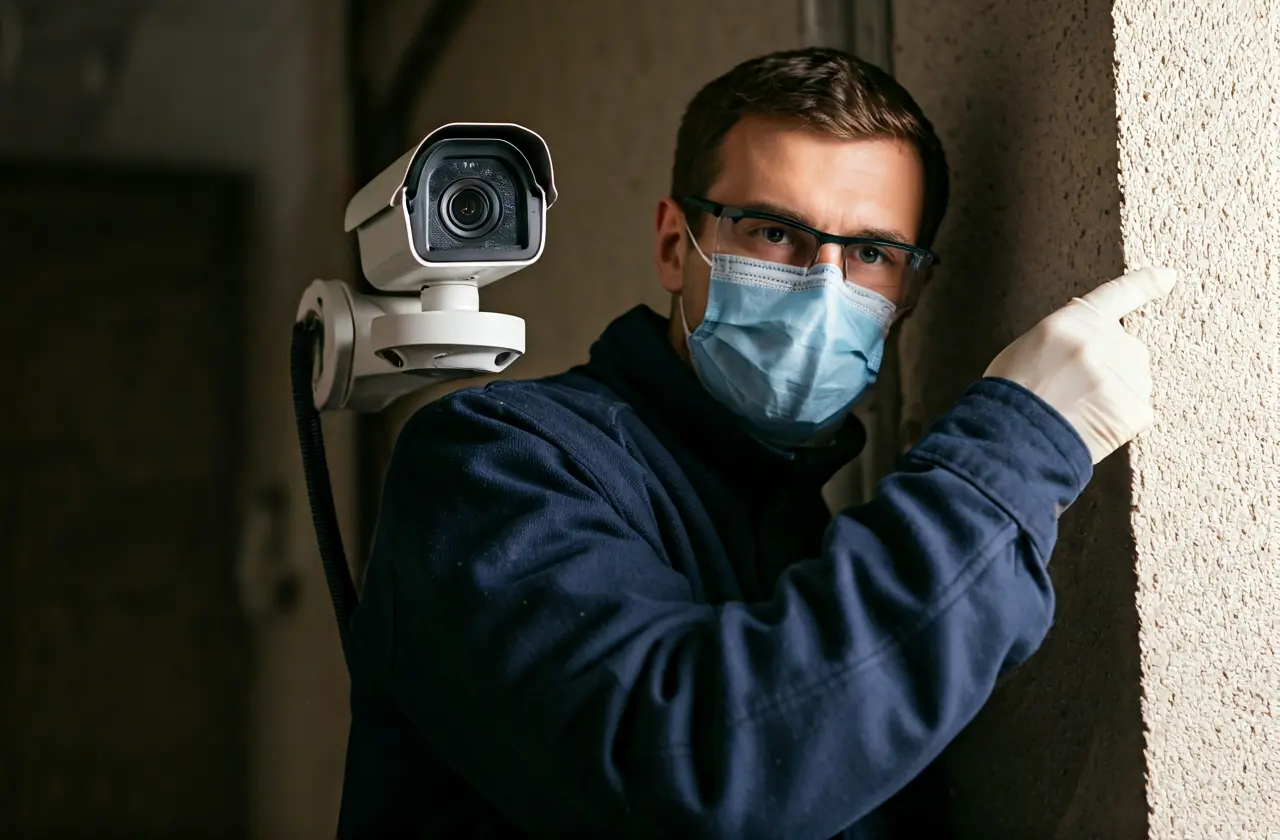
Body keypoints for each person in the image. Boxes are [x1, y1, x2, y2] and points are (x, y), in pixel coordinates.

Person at [336, 47, 1177, 839]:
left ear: (913, 290)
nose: (822, 286)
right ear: (676, 244)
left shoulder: (811, 546)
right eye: (775, 233)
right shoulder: (498, 462)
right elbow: (703, 779)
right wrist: (1013, 449)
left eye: (874, 253)